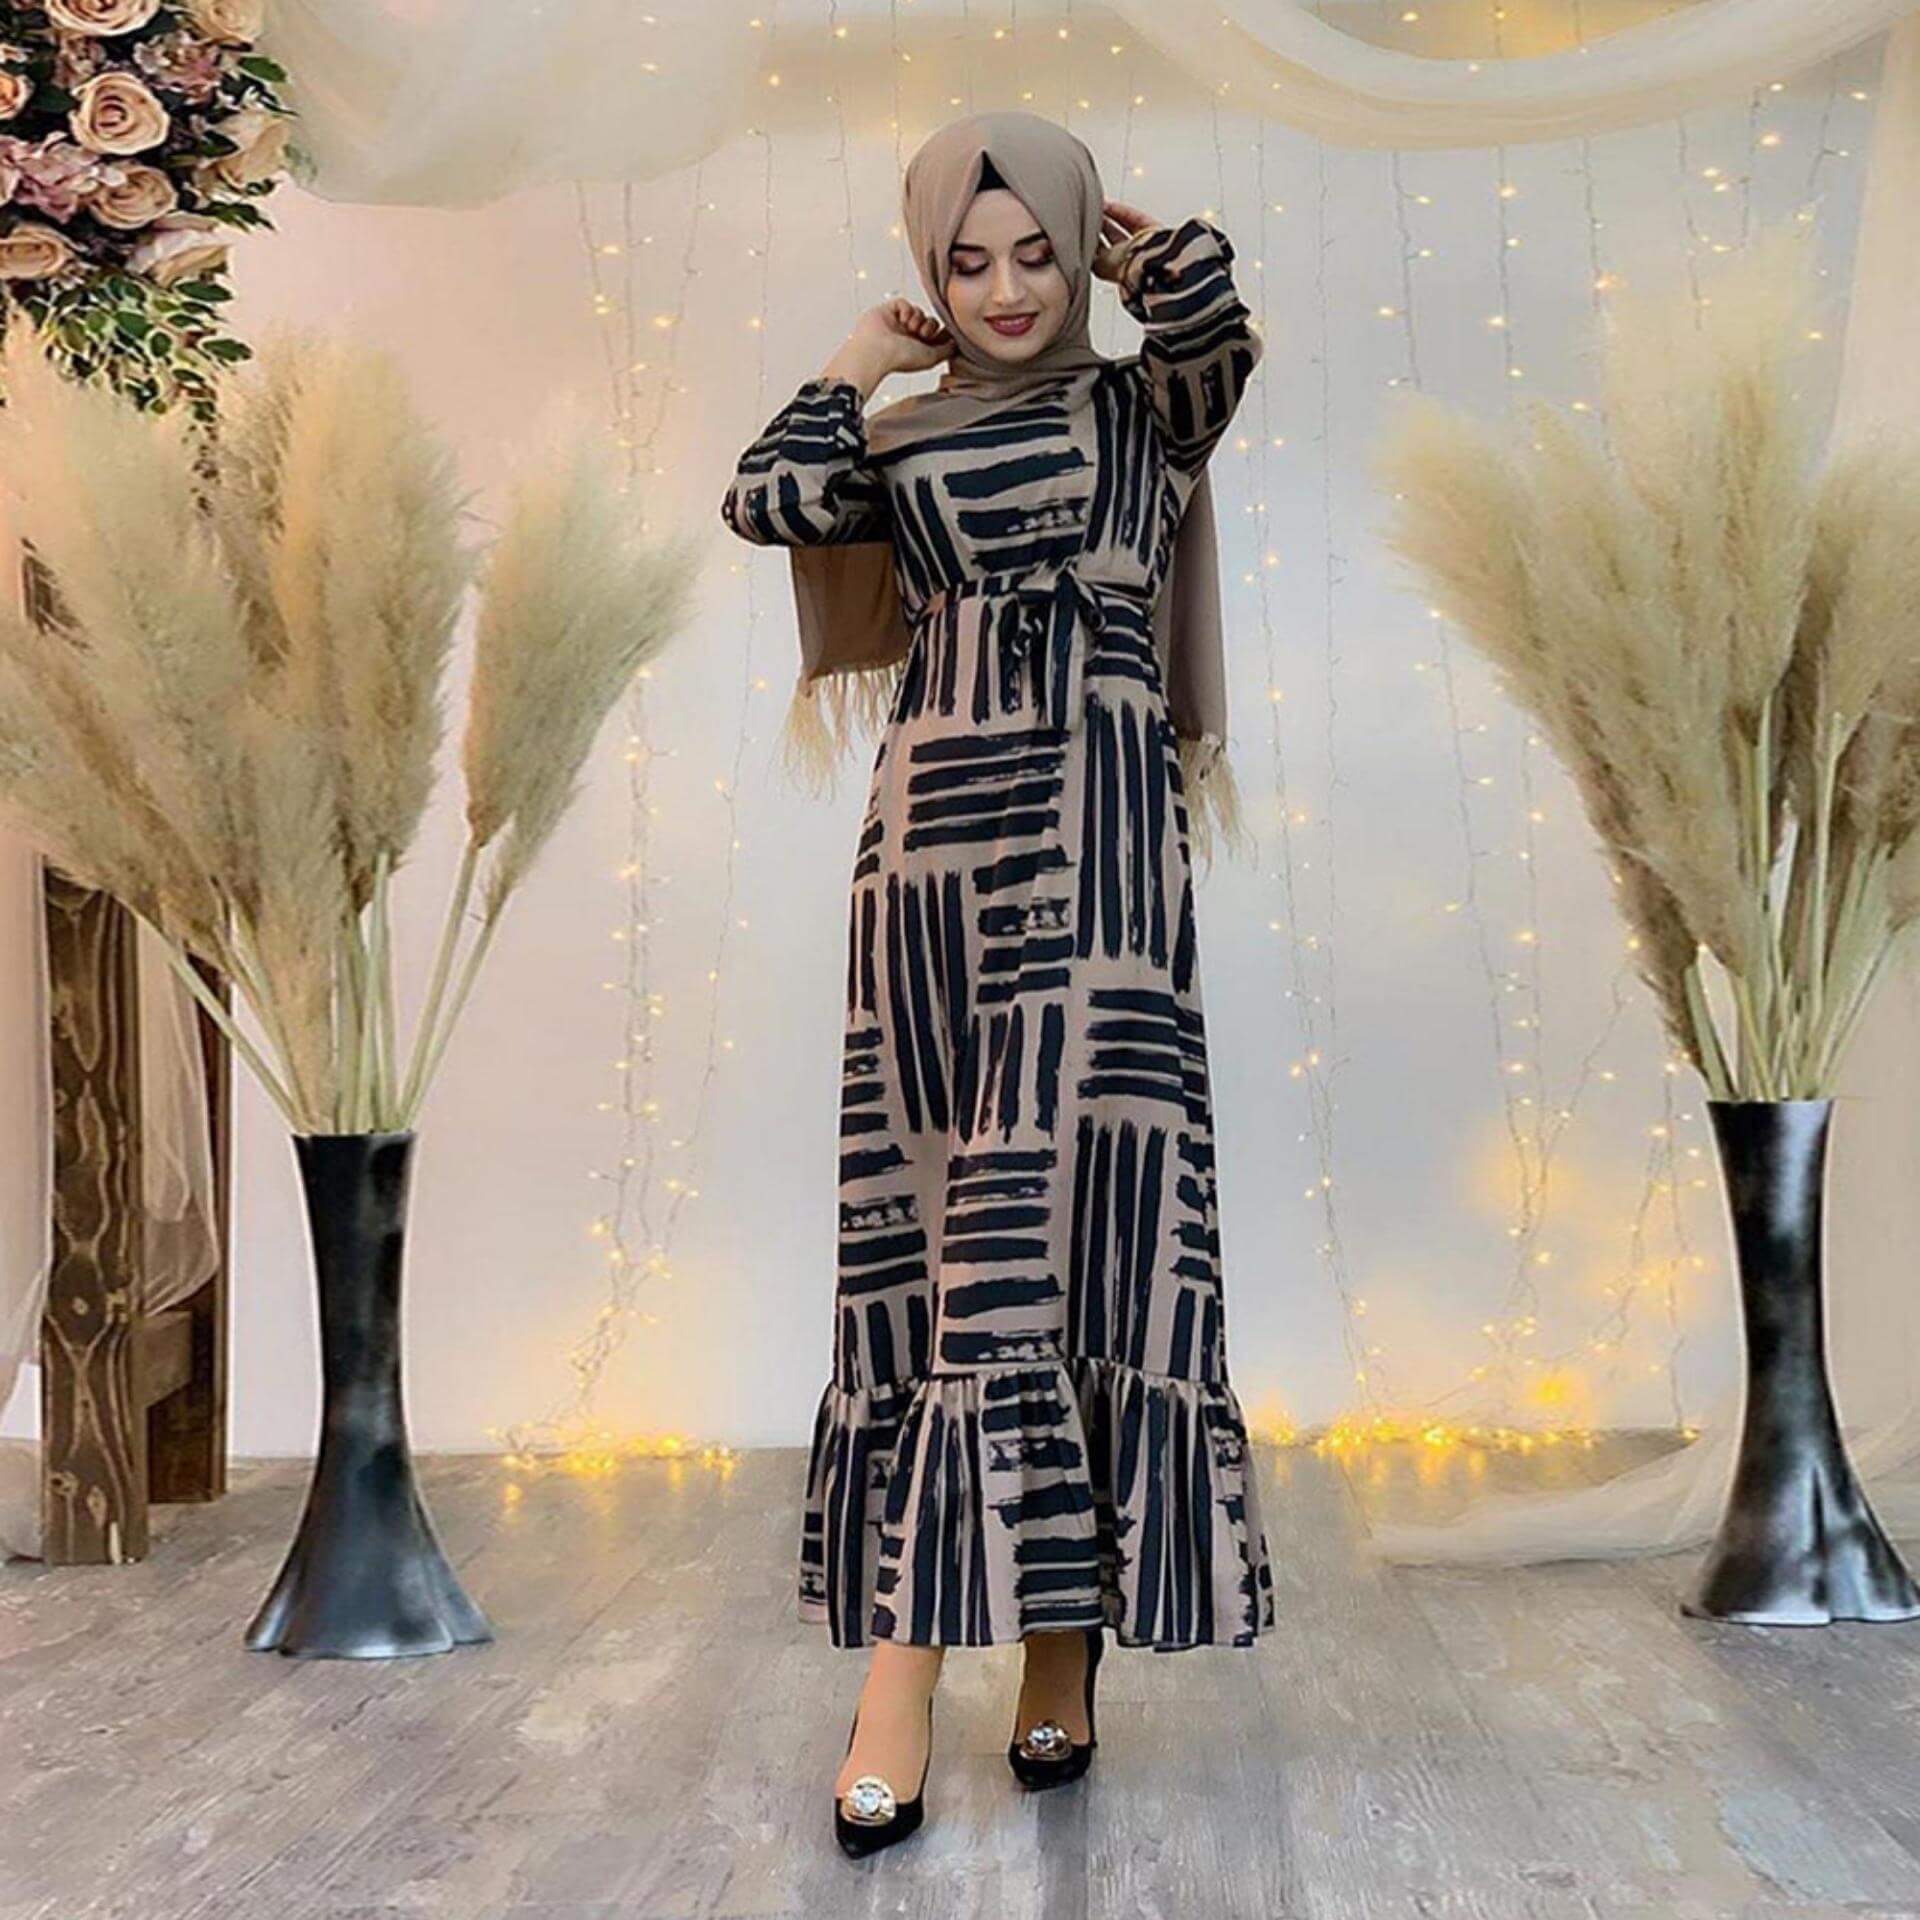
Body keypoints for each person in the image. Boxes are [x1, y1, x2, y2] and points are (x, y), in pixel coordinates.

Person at [719, 107, 1274, 1859]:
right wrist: (853, 359)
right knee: (939, 1239)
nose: (1008, 289)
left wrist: (1139, 247)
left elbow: (1216, 332)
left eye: (1037, 251)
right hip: (935, 873)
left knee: (1086, 1223)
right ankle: (903, 1682)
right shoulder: (899, 439)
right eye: (967, 262)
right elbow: (767, 496)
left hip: (1106, 863)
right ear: (927, 275)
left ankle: (1052, 1643)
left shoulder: (1144, 412)